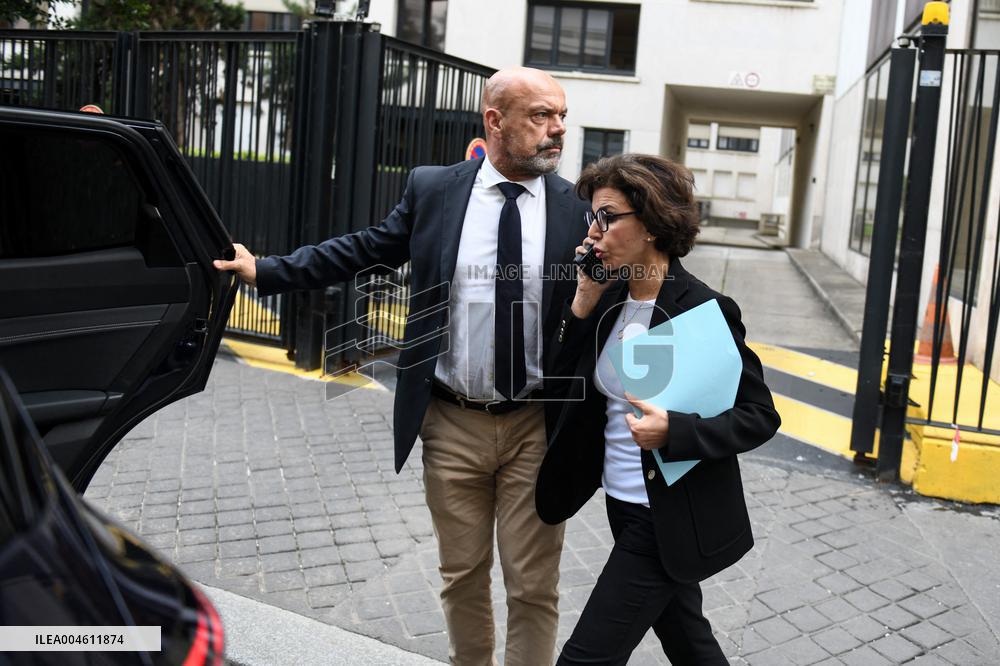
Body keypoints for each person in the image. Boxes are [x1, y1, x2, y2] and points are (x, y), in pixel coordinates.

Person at [213, 66, 591, 665]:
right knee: (462, 573)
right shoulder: (436, 189)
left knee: (533, 584)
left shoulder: (581, 208)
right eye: (541, 116)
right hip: (452, 423)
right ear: (495, 121)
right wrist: (268, 270)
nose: (558, 129)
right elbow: (364, 248)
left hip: (538, 428)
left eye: (562, 116)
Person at [535, 153, 781, 665]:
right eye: (592, 218)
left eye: (607, 216)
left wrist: (676, 431)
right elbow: (559, 389)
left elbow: (759, 415)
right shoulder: (607, 299)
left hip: (667, 514)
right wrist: (582, 301)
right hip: (620, 502)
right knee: (687, 640)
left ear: (649, 224)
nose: (594, 230)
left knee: (585, 659)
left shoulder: (701, 310)